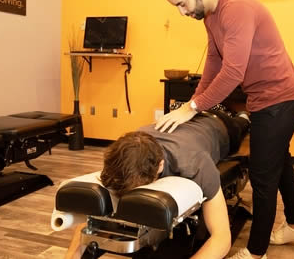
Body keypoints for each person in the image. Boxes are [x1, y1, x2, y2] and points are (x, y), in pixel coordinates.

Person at [157, 0, 294, 259]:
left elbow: (233, 73)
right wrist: (196, 103)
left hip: (280, 99)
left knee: (262, 174)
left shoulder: (236, 7)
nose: (182, 12)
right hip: (268, 98)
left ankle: (255, 253)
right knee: (279, 164)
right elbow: (214, 64)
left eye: (182, 3)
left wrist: (191, 108)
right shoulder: (211, 16)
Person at [64, 110, 250, 259]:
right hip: (183, 122)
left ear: (160, 166)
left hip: (219, 124)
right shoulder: (123, 156)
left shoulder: (194, 163)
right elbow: (92, 218)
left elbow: (222, 239)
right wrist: (72, 255)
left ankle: (243, 117)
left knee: (241, 124)